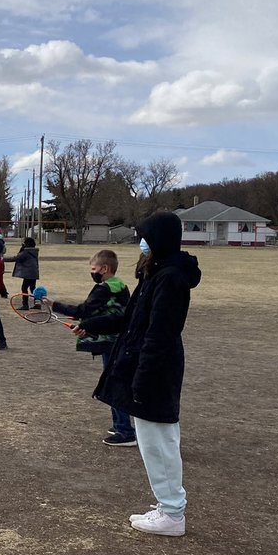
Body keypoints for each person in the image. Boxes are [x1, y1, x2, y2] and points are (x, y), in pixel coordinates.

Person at [78, 211, 202, 537]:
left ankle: (173, 514)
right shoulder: (154, 274)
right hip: (145, 368)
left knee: (159, 443)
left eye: (145, 237)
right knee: (152, 443)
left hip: (156, 371)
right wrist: (89, 324)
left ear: (158, 239)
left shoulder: (171, 278)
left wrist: (143, 378)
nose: (140, 244)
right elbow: (130, 322)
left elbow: (159, 334)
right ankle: (167, 506)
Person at [50, 250, 132, 446]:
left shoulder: (104, 288)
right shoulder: (120, 285)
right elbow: (104, 313)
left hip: (111, 341)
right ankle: (120, 424)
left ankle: (125, 431)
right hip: (119, 339)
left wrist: (54, 305)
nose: (92, 272)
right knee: (113, 381)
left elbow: (84, 310)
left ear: (105, 269)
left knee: (113, 383)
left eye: (93, 269)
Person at [3, 237, 39, 308]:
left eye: (24, 242)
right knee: (33, 288)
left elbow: (15, 258)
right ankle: (37, 303)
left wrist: (2, 258)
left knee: (24, 288)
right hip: (34, 272)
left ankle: (25, 305)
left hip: (29, 274)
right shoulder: (34, 251)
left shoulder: (26, 252)